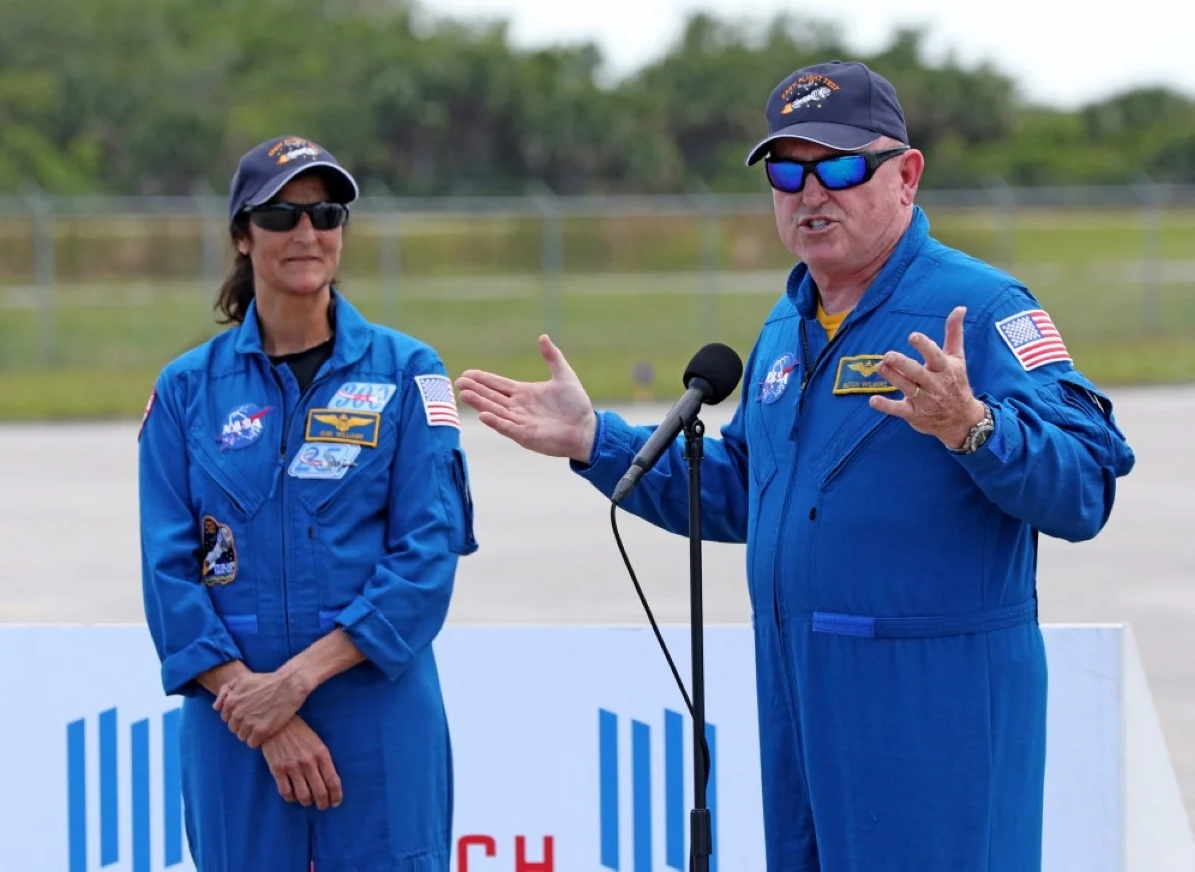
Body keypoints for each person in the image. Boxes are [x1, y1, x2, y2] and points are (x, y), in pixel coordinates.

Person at [455, 60, 1136, 871]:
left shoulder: (984, 309)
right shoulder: (789, 322)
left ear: (907, 175)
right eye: (788, 170)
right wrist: (593, 441)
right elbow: (748, 487)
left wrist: (976, 427)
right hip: (800, 709)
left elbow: (1086, 485)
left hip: (934, 715)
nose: (811, 193)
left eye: (841, 166)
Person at [137, 134, 478, 872]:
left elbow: (427, 554)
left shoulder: (411, 373)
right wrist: (256, 709)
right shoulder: (184, 391)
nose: (305, 233)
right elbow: (169, 571)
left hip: (375, 703)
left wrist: (293, 685)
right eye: (279, 215)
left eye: (325, 214)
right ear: (240, 233)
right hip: (234, 715)